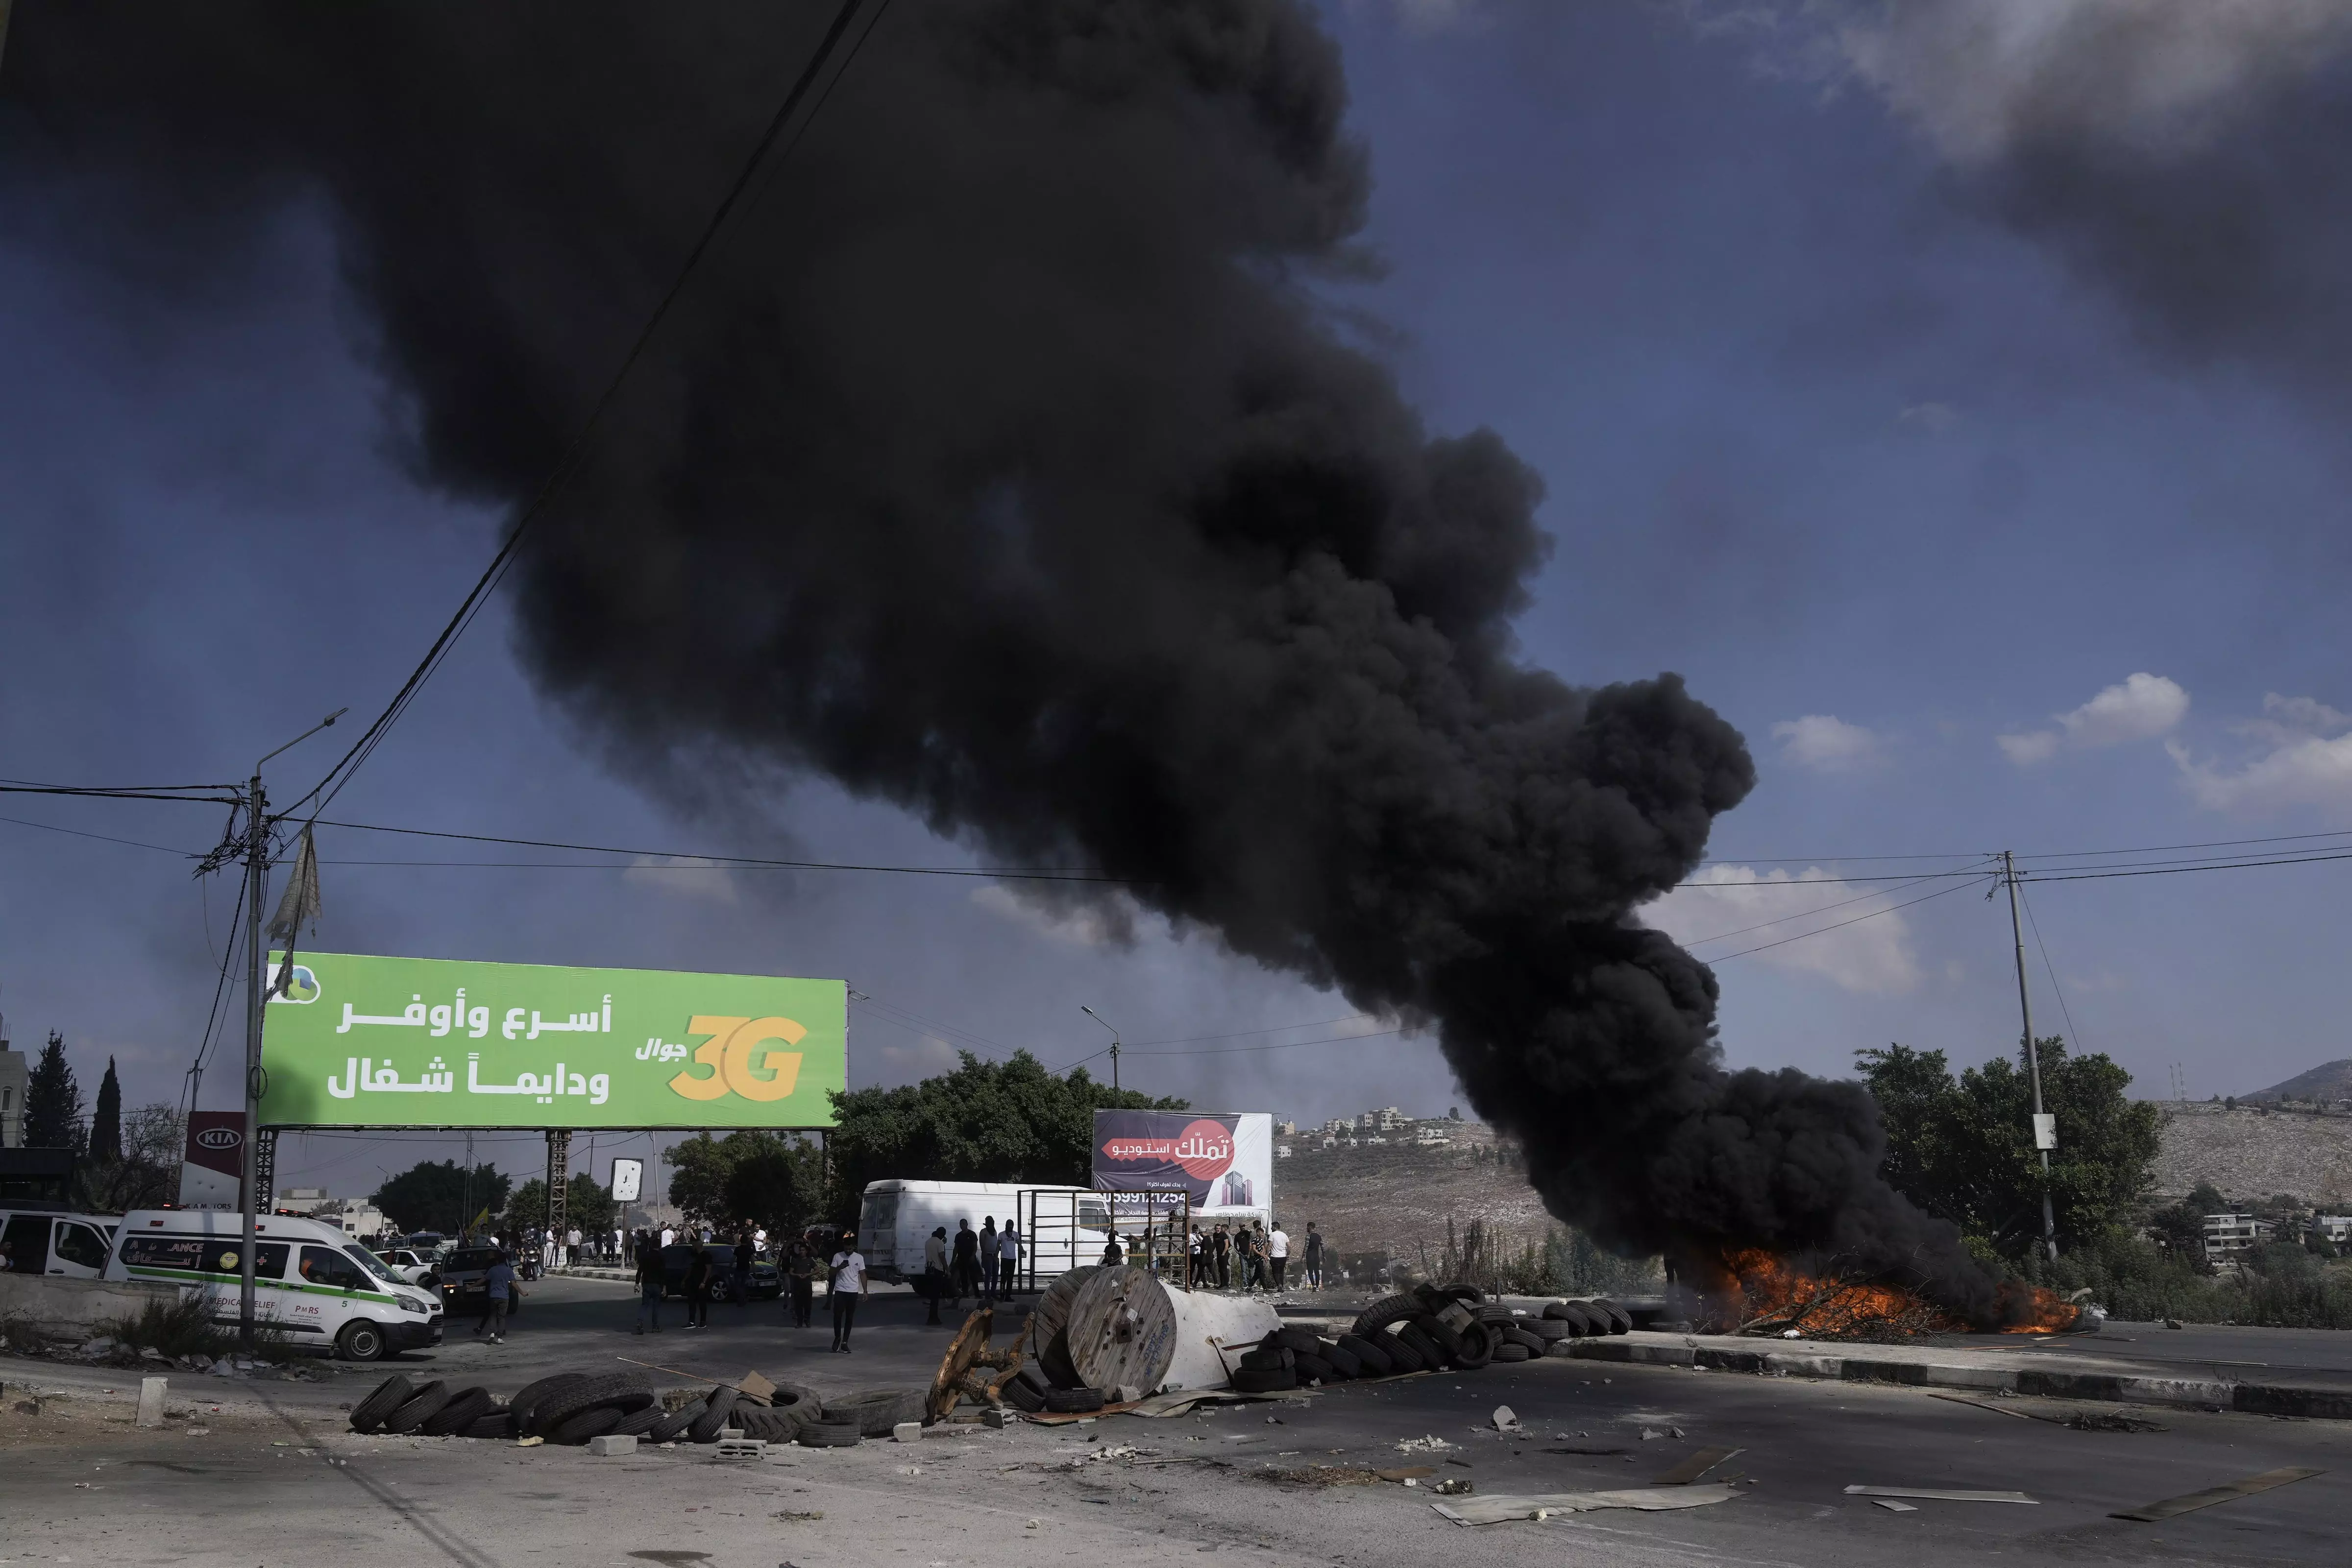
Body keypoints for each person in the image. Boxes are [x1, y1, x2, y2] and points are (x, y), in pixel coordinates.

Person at [829, 1231, 865, 1352]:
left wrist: (865, 1291)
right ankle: (837, 1338)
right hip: (840, 1290)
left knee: (849, 1317)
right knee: (838, 1316)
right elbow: (831, 1273)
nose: (848, 1251)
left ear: (854, 1248)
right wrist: (840, 1267)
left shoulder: (859, 1258)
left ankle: (845, 1342)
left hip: (853, 1291)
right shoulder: (838, 1256)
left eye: (850, 1249)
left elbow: (863, 1274)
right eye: (846, 1249)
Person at [475, 1250, 517, 1343]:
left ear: (497, 1261)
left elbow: (482, 1280)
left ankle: (492, 1333)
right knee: (501, 1317)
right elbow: (514, 1284)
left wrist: (471, 1286)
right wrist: (522, 1293)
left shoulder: (492, 1270)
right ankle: (500, 1337)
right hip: (504, 1297)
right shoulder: (508, 1271)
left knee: (493, 1316)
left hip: (493, 1296)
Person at [786, 1238, 818, 1328]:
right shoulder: (796, 1261)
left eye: (803, 1250)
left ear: (806, 1251)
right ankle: (799, 1322)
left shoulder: (810, 1261)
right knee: (798, 1304)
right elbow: (791, 1272)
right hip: (798, 1285)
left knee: (808, 1304)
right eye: (800, 1250)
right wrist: (797, 1275)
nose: (802, 1252)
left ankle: (807, 1320)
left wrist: (809, 1274)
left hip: (807, 1285)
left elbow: (817, 1270)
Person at [922, 1226, 950, 1326]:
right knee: (936, 1297)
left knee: (932, 1296)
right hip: (937, 1271)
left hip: (929, 1270)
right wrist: (948, 1270)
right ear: (943, 1235)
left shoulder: (928, 1242)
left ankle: (932, 1317)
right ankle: (933, 1318)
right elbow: (942, 1256)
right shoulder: (940, 1243)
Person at [951, 1218, 980, 1306]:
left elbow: (975, 1246)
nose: (962, 1225)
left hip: (970, 1258)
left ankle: (977, 1293)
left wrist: (973, 1256)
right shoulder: (958, 1236)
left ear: (967, 1224)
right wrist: (953, 1260)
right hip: (961, 1258)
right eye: (961, 1224)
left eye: (964, 1224)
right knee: (963, 1276)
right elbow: (956, 1248)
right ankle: (965, 1293)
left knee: (973, 1276)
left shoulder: (972, 1234)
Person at [684, 1243, 713, 1329]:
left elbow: (709, 1269)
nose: (693, 1247)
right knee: (692, 1302)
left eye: (694, 1245)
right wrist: (685, 1279)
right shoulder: (694, 1256)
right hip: (692, 1282)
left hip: (701, 1282)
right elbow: (690, 1269)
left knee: (702, 1303)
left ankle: (703, 1322)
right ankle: (692, 1322)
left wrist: (704, 1282)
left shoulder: (706, 1256)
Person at [998, 1219, 1021, 1296]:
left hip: (1012, 1259)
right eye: (1009, 1227)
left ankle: (1008, 1296)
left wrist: (1023, 1251)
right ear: (1006, 1226)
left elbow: (1019, 1244)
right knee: (1003, 1279)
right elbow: (998, 1246)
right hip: (1004, 1259)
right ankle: (1002, 1294)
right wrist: (996, 1255)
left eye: (1011, 1227)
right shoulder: (1001, 1235)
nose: (1010, 1229)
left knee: (1010, 1279)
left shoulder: (1016, 1234)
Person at [979, 1216, 999, 1300]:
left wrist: (997, 1255)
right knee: (988, 1275)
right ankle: (987, 1293)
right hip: (988, 1255)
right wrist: (984, 1255)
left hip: (995, 1255)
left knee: (996, 1275)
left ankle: (993, 1292)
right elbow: (982, 1244)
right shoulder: (983, 1232)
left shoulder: (995, 1232)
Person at [733, 1229, 755, 1306]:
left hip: (739, 1268)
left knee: (738, 1285)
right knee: (744, 1285)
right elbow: (752, 1260)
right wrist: (754, 1269)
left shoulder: (737, 1249)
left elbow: (733, 1259)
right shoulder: (749, 1249)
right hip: (746, 1269)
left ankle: (740, 1299)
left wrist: (730, 1266)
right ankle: (744, 1298)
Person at [1268, 1222, 1289, 1292]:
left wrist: (1266, 1253)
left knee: (1275, 1273)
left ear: (1275, 1227)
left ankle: (1279, 1285)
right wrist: (1288, 1254)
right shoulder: (1284, 1235)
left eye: (1272, 1227)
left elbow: (1270, 1245)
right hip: (1283, 1257)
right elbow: (1289, 1246)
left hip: (1275, 1256)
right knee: (1281, 1272)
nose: (1271, 1228)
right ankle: (1281, 1286)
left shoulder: (1272, 1235)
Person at [1302, 1223, 1323, 1290]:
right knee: (1317, 1271)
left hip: (1309, 1256)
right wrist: (1324, 1256)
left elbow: (1306, 1247)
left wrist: (1303, 1256)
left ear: (1310, 1227)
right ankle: (1317, 1286)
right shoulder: (1319, 1236)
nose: (1307, 1229)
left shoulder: (1308, 1236)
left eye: (1308, 1227)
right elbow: (1323, 1247)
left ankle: (1314, 1285)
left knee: (1310, 1272)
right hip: (1316, 1256)